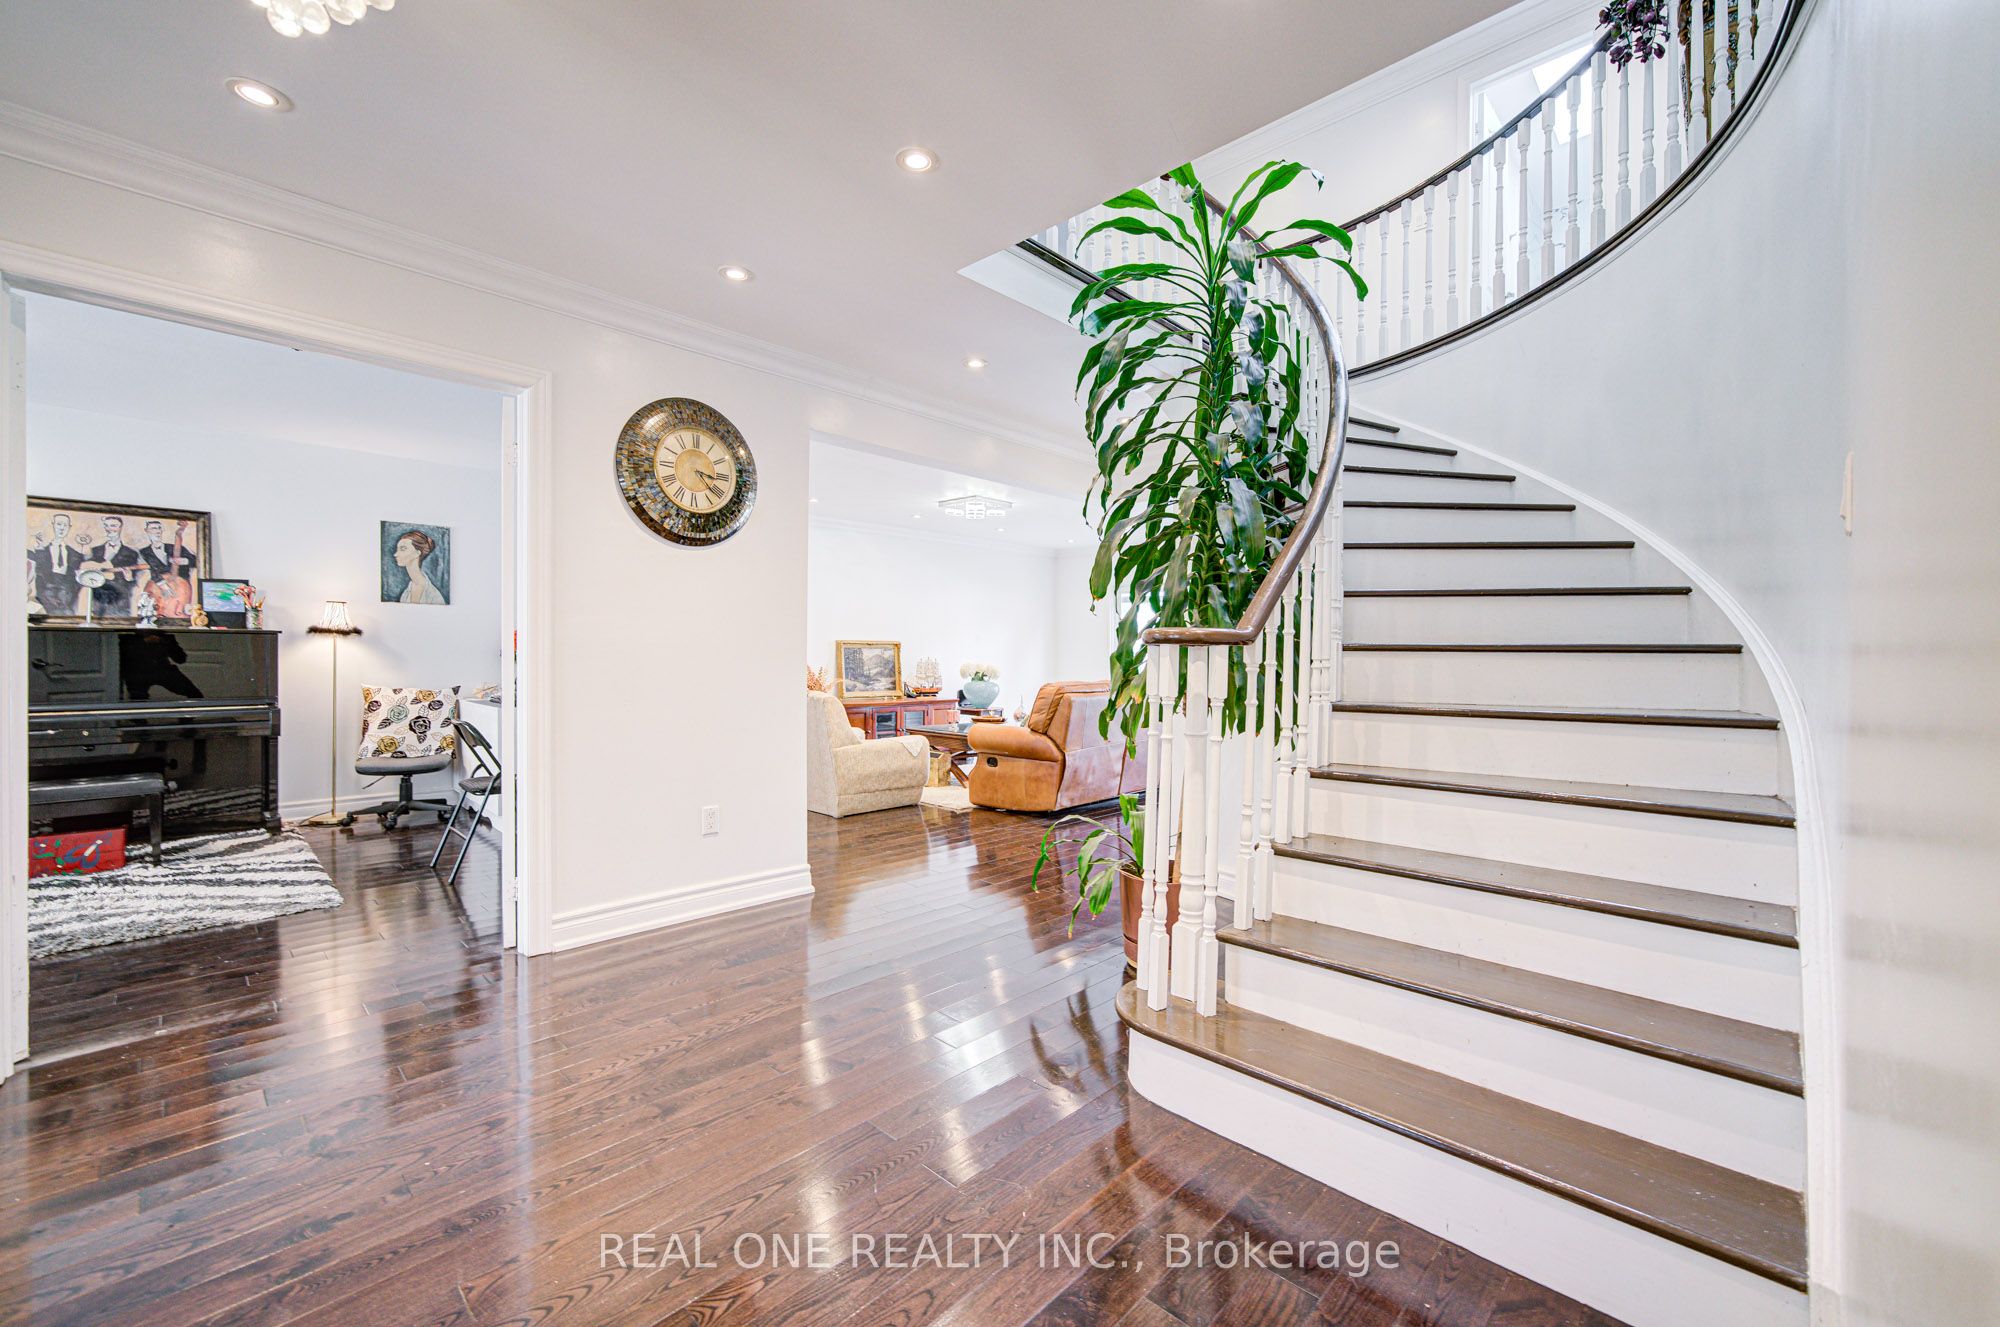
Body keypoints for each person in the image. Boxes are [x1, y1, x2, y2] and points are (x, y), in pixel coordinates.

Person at [83, 515, 143, 619]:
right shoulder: (95, 550)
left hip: (118, 590)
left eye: (113, 526)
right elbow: (86, 568)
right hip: (97, 589)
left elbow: (133, 581)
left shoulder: (131, 553)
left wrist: (129, 578)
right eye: (106, 526)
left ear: (120, 528)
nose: (109, 529)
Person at [26, 512, 81, 616]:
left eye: (65, 525)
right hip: (46, 595)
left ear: (69, 528)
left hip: (66, 595)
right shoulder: (40, 551)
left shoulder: (75, 553)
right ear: (53, 525)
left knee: (67, 613)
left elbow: (76, 579)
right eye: (59, 524)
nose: (62, 528)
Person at [392, 529, 446, 605]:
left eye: (403, 549)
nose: (395, 554)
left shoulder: (434, 595)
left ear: (417, 553)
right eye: (397, 549)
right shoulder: (406, 592)